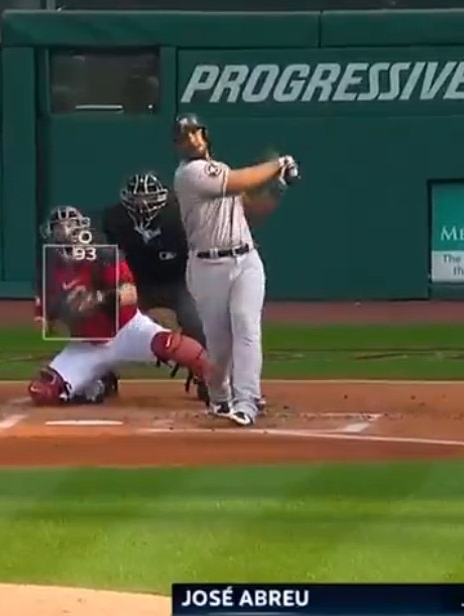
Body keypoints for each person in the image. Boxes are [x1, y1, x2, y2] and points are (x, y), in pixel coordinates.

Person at [171, 114, 297, 427]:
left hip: (246, 261)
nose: (193, 140)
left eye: (196, 133)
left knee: (246, 326)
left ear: (205, 135)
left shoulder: (219, 169)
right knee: (219, 344)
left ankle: (247, 401)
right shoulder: (190, 174)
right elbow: (240, 180)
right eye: (185, 137)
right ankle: (220, 397)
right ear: (177, 145)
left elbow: (251, 211)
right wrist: (278, 164)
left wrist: (279, 187)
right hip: (207, 266)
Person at [27, 204, 213, 406]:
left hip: (128, 329)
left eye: (70, 227)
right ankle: (97, 383)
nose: (65, 234)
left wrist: (98, 300)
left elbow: (130, 294)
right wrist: (62, 312)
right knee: (43, 392)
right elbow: (44, 321)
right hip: (89, 343)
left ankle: (216, 385)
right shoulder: (50, 271)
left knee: (177, 347)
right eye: (59, 229)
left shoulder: (104, 257)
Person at [101, 172, 210, 405]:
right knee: (105, 318)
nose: (142, 204)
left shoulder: (178, 217)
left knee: (198, 320)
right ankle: (102, 374)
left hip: (176, 281)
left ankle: (207, 376)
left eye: (148, 198)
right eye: (137, 198)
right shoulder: (114, 219)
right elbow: (106, 259)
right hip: (135, 284)